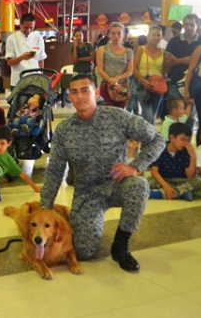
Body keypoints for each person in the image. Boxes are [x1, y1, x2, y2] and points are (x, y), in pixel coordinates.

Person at [40, 74, 165, 272]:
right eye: (74, 92)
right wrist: (44, 208)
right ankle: (89, 225)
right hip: (87, 192)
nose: (80, 96)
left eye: (84, 90)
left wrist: (135, 166)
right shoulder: (64, 130)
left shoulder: (118, 117)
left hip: (117, 184)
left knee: (139, 186)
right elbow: (55, 171)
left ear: (96, 93)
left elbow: (157, 140)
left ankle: (121, 245)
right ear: (69, 97)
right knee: (84, 252)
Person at [165, 14, 201, 122]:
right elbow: (166, 63)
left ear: (197, 25)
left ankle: (187, 138)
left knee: (190, 117)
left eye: (192, 24)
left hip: (194, 85)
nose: (189, 27)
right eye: (186, 24)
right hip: (175, 82)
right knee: (174, 117)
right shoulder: (174, 41)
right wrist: (182, 60)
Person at [148, 123, 201, 201]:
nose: (185, 143)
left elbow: (190, 176)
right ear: (172, 138)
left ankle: (161, 193)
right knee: (148, 181)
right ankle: (182, 193)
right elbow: (154, 172)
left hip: (180, 181)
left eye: (187, 140)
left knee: (199, 182)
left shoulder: (186, 151)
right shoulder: (160, 148)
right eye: (183, 139)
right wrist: (166, 186)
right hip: (163, 180)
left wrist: (193, 157)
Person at [132, 25, 166, 124]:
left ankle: (149, 136)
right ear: (148, 36)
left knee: (154, 115)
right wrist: (144, 81)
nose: (156, 37)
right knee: (148, 115)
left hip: (158, 85)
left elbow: (165, 70)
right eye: (153, 35)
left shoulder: (164, 52)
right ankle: (147, 137)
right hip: (143, 85)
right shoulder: (141, 49)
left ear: (162, 37)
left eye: (158, 35)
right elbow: (133, 68)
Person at [96, 22, 134, 108]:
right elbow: (100, 70)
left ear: (123, 34)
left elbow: (129, 71)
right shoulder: (102, 49)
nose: (116, 36)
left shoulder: (128, 51)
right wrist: (113, 83)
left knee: (120, 115)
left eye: (118, 33)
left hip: (122, 88)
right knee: (106, 114)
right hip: (106, 85)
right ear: (109, 34)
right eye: (113, 33)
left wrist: (117, 79)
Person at [5, 13, 47, 89]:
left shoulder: (38, 38)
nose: (28, 30)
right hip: (18, 80)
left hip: (35, 80)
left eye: (31, 27)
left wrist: (41, 76)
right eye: (26, 27)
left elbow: (40, 60)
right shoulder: (12, 39)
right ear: (20, 25)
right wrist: (22, 57)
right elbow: (10, 62)